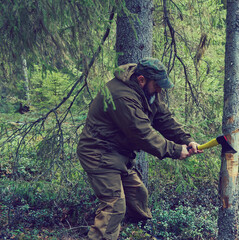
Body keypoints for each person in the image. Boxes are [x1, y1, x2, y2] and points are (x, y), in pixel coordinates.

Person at [77, 57, 202, 240]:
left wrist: (186, 139)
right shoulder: (122, 96)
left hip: (118, 154)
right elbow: (142, 134)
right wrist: (175, 150)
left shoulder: (146, 93)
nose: (160, 89)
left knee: (137, 193)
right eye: (157, 85)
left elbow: (163, 119)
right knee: (114, 206)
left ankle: (138, 232)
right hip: (99, 153)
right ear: (141, 79)